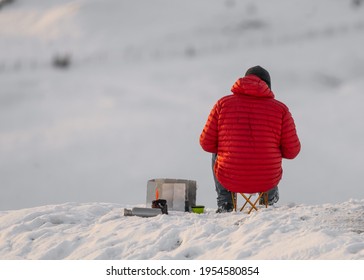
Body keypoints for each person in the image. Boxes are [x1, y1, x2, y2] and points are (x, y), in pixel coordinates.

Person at [200, 66, 301, 213]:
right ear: (268, 85)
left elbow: (206, 144)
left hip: (230, 176)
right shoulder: (281, 110)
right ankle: (268, 198)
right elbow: (292, 152)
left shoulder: (222, 104)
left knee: (217, 152)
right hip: (266, 179)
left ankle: (225, 202)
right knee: (273, 150)